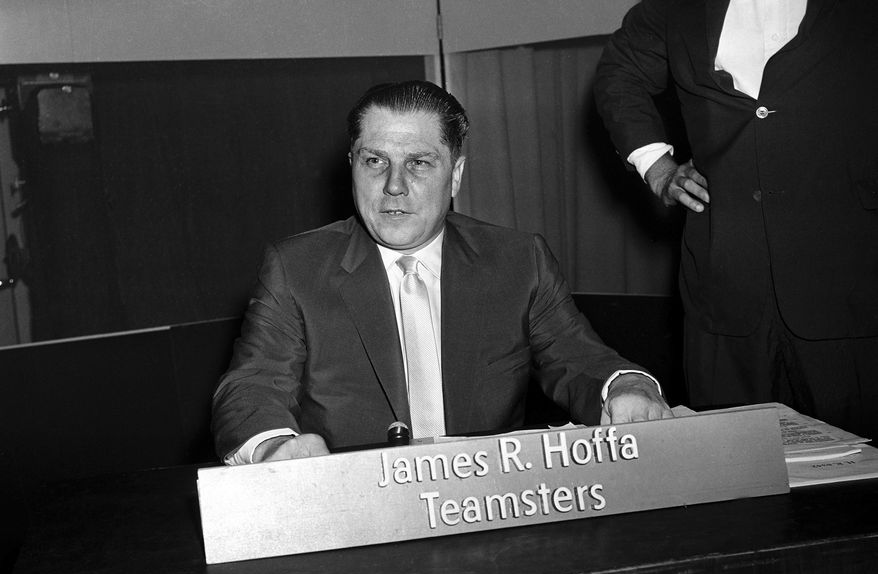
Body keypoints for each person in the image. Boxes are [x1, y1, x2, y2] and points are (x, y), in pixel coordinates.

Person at [212, 80, 671, 464]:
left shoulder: (518, 260)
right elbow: (252, 386)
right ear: (351, 166)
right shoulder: (296, 269)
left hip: (490, 505)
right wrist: (273, 446)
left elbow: (581, 359)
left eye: (418, 163)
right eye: (374, 161)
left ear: (455, 176)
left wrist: (627, 386)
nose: (393, 186)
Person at [594, 0, 878, 437]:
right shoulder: (674, 8)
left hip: (851, 295)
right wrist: (657, 166)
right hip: (723, 295)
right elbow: (621, 72)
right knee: (734, 474)